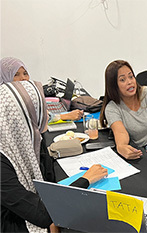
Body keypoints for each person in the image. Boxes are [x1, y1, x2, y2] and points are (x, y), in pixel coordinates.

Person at [0, 80, 108, 232]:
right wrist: (85, 180)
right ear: (21, 117)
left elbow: (47, 176)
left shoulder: (21, 140)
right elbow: (42, 214)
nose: (45, 116)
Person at [100, 60, 147, 167]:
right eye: (122, 80)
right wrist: (122, 146)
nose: (129, 82)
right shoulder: (112, 107)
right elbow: (120, 132)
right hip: (134, 146)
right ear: (113, 85)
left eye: (131, 76)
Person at [0, 57, 84, 122]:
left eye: (25, 73)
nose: (23, 78)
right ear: (5, 77)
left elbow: (34, 114)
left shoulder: (20, 95)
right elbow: (35, 121)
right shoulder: (7, 101)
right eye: (16, 75)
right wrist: (65, 116)